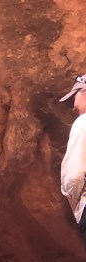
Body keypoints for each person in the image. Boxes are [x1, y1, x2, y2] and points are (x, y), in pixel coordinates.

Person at [59, 74, 86, 252]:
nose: (74, 109)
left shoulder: (84, 122)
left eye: (74, 96)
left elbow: (74, 176)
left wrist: (79, 211)